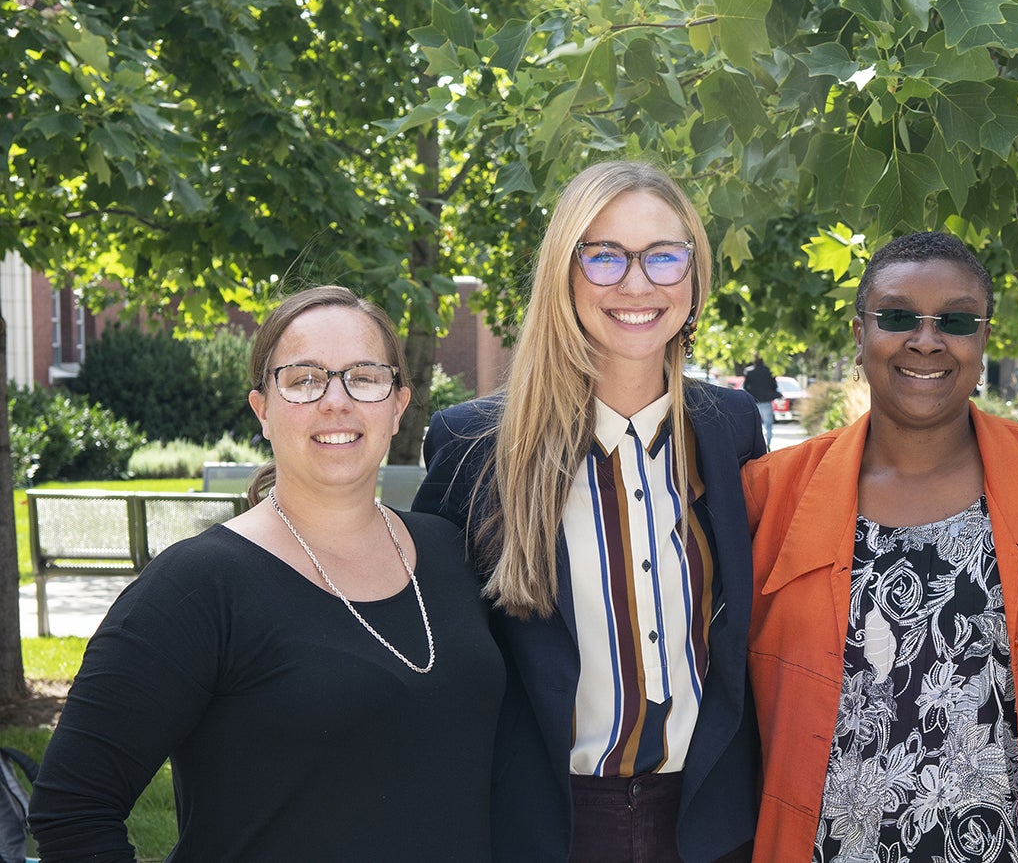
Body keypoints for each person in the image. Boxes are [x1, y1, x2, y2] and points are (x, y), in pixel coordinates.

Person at [28, 286, 504, 861]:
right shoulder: (197, 587)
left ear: (399, 404)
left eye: (365, 376)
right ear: (262, 410)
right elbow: (72, 810)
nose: (336, 400)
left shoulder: (453, 552)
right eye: (304, 379)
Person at [411, 160, 764, 862]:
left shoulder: (732, 429)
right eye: (604, 256)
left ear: (693, 277)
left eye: (664, 256)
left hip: (715, 820)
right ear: (564, 274)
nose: (637, 284)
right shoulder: (474, 447)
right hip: (552, 826)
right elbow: (436, 655)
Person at [741, 232, 1018, 862]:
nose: (927, 340)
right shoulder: (773, 495)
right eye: (897, 317)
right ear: (860, 333)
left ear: (983, 340)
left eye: (956, 320)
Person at [741, 356, 780, 447]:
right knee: (768, 424)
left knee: (755, 424)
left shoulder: (749, 372)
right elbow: (774, 385)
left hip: (754, 401)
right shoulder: (769, 371)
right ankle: (768, 442)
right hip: (766, 400)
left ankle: (757, 444)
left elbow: (746, 387)